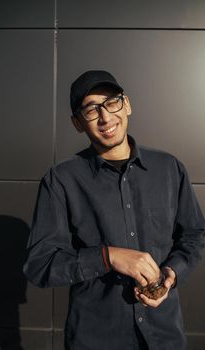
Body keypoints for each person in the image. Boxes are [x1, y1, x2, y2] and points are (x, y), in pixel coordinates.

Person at [24, 70, 205, 350]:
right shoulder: (60, 180)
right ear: (77, 123)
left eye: (111, 102)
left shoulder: (169, 168)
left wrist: (172, 273)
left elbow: (194, 234)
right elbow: (40, 265)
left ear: (127, 105)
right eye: (91, 110)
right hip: (96, 339)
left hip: (164, 337)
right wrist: (108, 257)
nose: (106, 117)